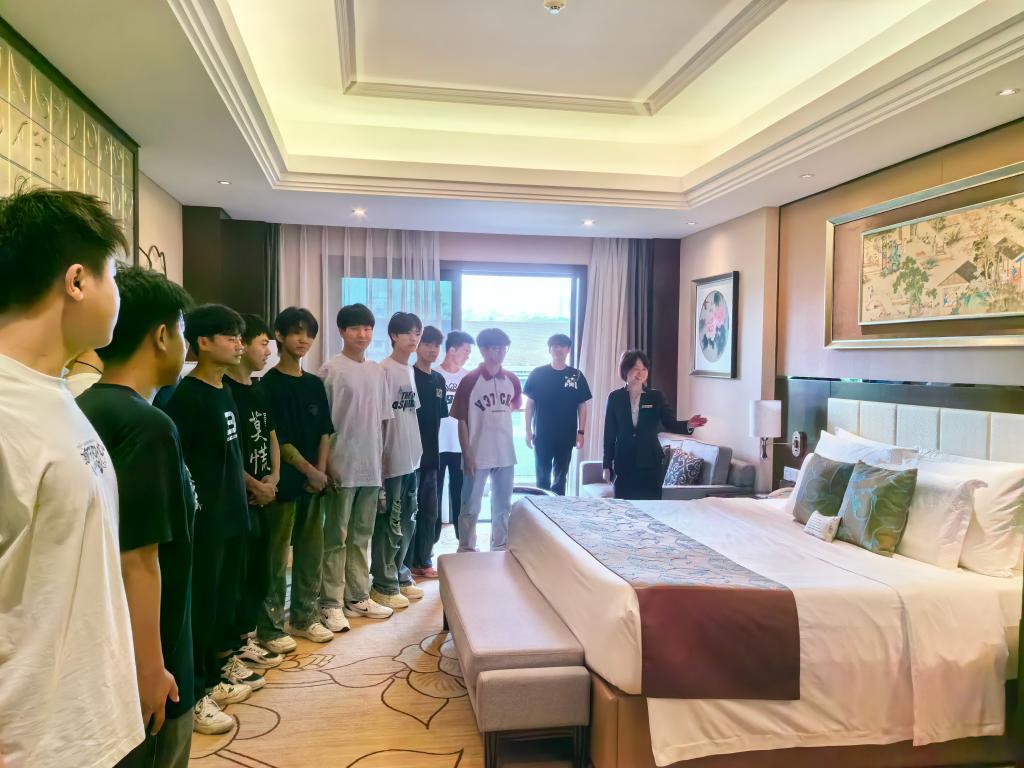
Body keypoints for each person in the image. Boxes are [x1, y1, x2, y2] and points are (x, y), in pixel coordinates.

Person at [0, 188, 143, 767]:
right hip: (32, 741)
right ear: (78, 281)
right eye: (115, 276)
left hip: (84, 725)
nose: (119, 295)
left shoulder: (56, 393)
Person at [77, 268, 223, 761]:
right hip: (152, 654)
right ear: (162, 336)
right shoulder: (147, 425)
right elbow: (137, 557)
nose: (185, 345)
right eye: (182, 331)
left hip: (110, 648)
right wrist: (151, 669)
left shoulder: (85, 406)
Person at [163, 304, 256, 727]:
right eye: (230, 337)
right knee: (200, 607)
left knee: (223, 602)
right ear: (202, 342)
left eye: (240, 337)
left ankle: (216, 674)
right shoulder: (186, 397)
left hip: (234, 515)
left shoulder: (225, 390)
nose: (239, 345)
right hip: (206, 522)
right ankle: (196, 691)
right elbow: (179, 466)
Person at [259, 307, 336, 646]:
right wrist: (310, 471)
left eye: (309, 334)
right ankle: (271, 628)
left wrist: (320, 473)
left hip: (314, 483)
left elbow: (325, 432)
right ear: (279, 335)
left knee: (311, 553)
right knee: (276, 560)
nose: (304, 339)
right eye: (297, 332)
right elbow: (279, 438)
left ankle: (304, 618)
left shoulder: (315, 384)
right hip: (284, 483)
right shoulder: (268, 385)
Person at [316, 303, 395, 630]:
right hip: (340, 465)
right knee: (336, 537)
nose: (362, 334)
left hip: (370, 466)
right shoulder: (330, 370)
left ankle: (358, 596)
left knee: (362, 535)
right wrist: (325, 465)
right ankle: (330, 603)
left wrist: (381, 463)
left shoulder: (377, 371)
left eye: (367, 328)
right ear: (342, 332)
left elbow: (383, 421)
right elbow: (321, 426)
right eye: (355, 328)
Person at [223, 314, 285, 679]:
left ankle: (246, 638)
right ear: (242, 344)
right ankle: (230, 646)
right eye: (264, 344)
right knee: (237, 575)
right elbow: (226, 453)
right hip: (240, 499)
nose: (268, 352)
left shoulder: (260, 390)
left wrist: (273, 478)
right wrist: (254, 486)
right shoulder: (225, 390)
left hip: (264, 495)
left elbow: (272, 437)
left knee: (260, 572)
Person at [371, 312, 425, 609]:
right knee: (389, 523)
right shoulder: (384, 370)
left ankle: (401, 575)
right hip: (391, 460)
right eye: (409, 332)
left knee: (407, 520)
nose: (414, 338)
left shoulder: (409, 370)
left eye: (418, 332)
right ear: (394, 335)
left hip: (411, 458)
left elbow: (410, 414)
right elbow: (380, 420)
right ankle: (383, 583)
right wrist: (380, 463)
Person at [602, 350, 707, 500]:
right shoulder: (615, 398)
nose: (640, 373)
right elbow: (609, 435)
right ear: (625, 370)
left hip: (650, 462)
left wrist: (688, 424)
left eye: (644, 369)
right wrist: (606, 465)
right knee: (623, 507)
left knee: (651, 507)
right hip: (624, 462)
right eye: (636, 369)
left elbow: (670, 423)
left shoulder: (656, 397)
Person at [451, 328, 521, 553]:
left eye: (503, 348)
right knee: (471, 505)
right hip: (477, 453)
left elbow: (513, 407)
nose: (499, 353)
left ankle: (499, 548)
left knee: (503, 506)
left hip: (505, 453)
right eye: (494, 348)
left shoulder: (512, 379)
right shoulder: (469, 381)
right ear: (482, 350)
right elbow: (461, 420)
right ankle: (466, 548)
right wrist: (467, 453)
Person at [524, 333, 592, 495]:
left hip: (566, 434)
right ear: (549, 349)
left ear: (568, 349)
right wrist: (527, 431)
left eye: (562, 346)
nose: (558, 349)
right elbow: (529, 405)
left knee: (561, 478)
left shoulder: (576, 376)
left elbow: (582, 406)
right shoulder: (537, 374)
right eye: (555, 346)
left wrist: (581, 432)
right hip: (542, 434)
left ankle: (558, 507)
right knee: (542, 477)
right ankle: (541, 509)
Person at [406, 325, 449, 578]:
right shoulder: (408, 376)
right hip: (410, 457)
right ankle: (406, 563)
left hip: (432, 455)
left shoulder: (439, 380)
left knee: (430, 511)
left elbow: (440, 417)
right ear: (417, 346)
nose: (433, 349)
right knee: (409, 511)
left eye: (436, 345)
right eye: (427, 344)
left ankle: (424, 561)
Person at [436, 330, 473, 538]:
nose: (468, 355)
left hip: (460, 445)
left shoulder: (468, 377)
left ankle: (463, 539)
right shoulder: (434, 375)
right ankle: (430, 543)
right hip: (437, 446)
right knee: (433, 494)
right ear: (452, 350)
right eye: (466, 351)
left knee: (460, 494)